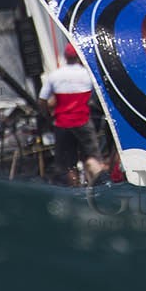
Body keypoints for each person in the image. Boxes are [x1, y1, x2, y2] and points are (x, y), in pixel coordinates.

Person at [40, 44, 107, 186]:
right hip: (83, 122)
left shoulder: (55, 76)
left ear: (65, 57)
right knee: (92, 158)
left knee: (68, 166)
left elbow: (42, 100)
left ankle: (76, 191)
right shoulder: (88, 74)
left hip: (62, 124)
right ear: (79, 57)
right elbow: (98, 97)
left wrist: (47, 116)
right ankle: (99, 187)